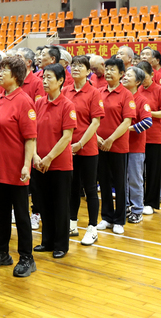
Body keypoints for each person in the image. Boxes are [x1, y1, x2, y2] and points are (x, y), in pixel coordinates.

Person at [0, 56, 37, 276]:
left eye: (5, 70)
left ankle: (27, 257)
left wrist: (26, 165)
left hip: (17, 169)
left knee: (21, 214)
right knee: (1, 214)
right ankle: (2, 252)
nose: (0, 73)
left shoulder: (24, 100)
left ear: (16, 76)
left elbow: (30, 138)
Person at [32, 63, 75, 259]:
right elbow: (32, 133)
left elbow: (67, 136)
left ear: (60, 81)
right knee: (43, 204)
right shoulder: (39, 103)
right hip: (40, 164)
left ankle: (61, 244)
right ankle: (47, 241)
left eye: (50, 77)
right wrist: (36, 157)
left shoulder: (67, 105)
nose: (45, 81)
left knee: (60, 205)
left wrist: (49, 157)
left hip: (59, 164)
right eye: (43, 77)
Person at [63, 55, 104, 246]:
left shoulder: (94, 93)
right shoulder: (65, 90)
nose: (76, 68)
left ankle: (92, 227)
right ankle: (72, 222)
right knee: (72, 188)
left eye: (81, 66)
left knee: (89, 189)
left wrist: (80, 143)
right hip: (68, 148)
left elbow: (95, 122)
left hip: (87, 148)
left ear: (89, 71)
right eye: (74, 65)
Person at [96, 58, 134, 235]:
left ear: (121, 74)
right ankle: (106, 217)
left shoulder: (126, 94)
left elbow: (127, 121)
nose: (109, 72)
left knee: (119, 183)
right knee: (103, 182)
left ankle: (119, 220)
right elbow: (92, 119)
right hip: (98, 145)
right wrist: (96, 138)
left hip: (117, 146)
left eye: (113, 70)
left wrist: (111, 139)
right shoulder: (98, 92)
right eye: (107, 69)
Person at [137, 61, 161, 215]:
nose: (142, 79)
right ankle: (138, 200)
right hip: (138, 136)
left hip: (154, 136)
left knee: (153, 170)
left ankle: (151, 202)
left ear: (151, 75)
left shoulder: (160, 90)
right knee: (137, 171)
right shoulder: (136, 90)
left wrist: (147, 113)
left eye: (145, 76)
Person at [121, 67, 152, 224]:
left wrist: (127, 129)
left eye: (129, 76)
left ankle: (137, 209)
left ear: (138, 82)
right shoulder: (122, 97)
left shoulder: (142, 100)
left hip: (135, 147)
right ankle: (125, 205)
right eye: (124, 75)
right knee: (122, 179)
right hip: (120, 146)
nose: (124, 77)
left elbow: (148, 122)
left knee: (134, 179)